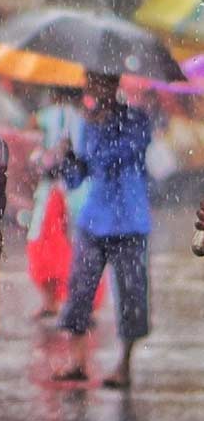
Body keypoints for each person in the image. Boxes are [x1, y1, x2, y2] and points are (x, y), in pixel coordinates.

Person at [53, 72, 153, 389]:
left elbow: (119, 156)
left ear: (112, 84)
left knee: (132, 295)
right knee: (80, 290)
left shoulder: (136, 119)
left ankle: (124, 364)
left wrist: (93, 132)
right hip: (94, 219)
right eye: (90, 82)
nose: (94, 89)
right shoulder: (82, 122)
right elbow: (77, 177)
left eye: (100, 82)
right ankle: (78, 361)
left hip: (130, 220)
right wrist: (66, 157)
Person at [25, 86, 90, 319]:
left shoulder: (49, 117)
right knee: (64, 244)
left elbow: (38, 156)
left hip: (64, 191)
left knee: (51, 244)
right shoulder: (82, 118)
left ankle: (58, 301)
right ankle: (61, 302)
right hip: (69, 191)